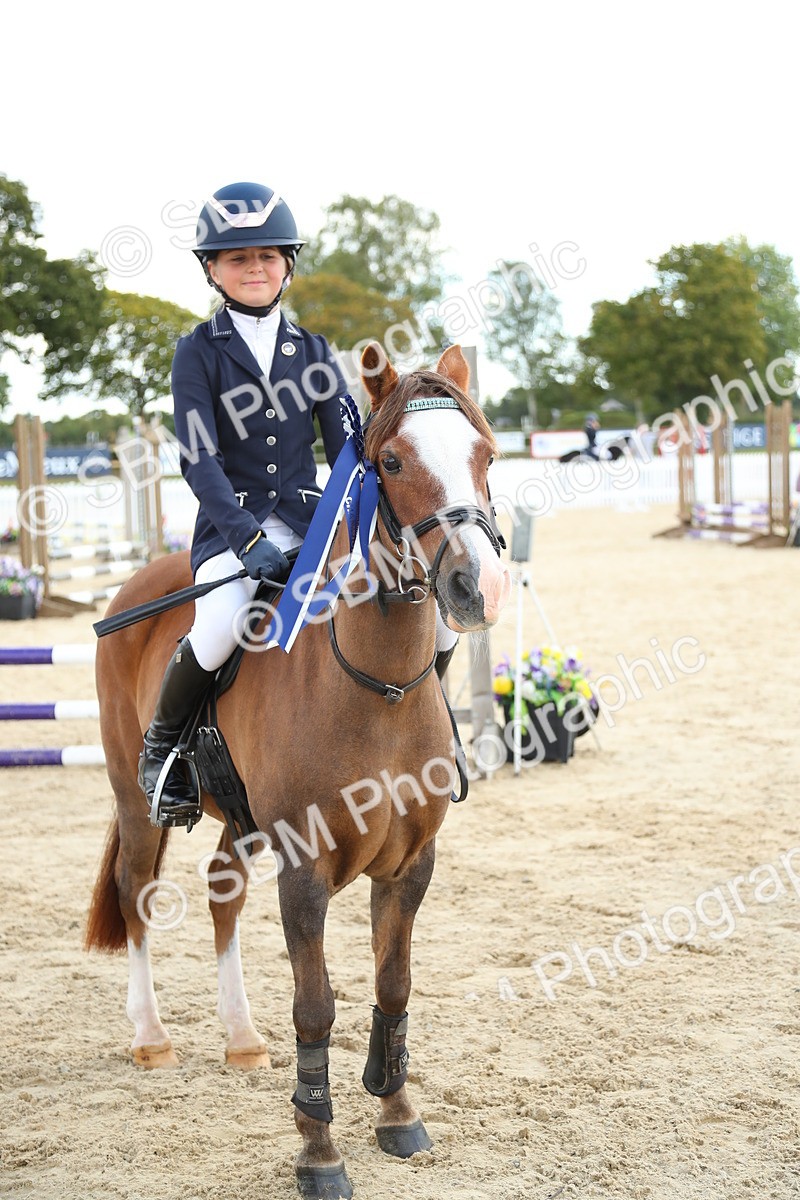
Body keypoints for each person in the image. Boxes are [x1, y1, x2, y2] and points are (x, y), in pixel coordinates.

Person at [139, 180, 459, 829]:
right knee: (222, 620)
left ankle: (434, 730)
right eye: (238, 259)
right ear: (213, 269)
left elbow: (348, 447)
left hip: (315, 521)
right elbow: (199, 459)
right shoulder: (198, 352)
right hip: (234, 528)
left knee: (440, 614)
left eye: (266, 257)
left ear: (287, 264)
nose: (254, 269)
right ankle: (161, 753)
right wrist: (244, 539)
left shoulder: (312, 351)